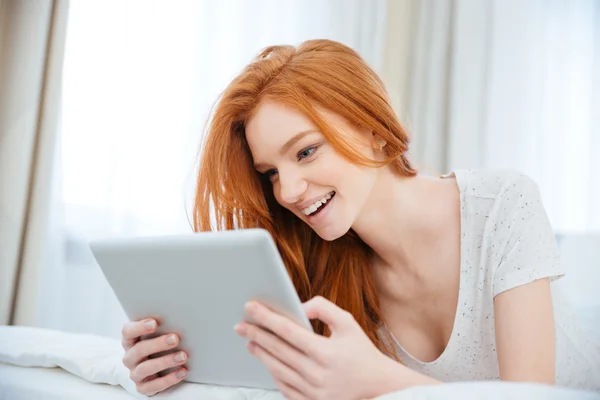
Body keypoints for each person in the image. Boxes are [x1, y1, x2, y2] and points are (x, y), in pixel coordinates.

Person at [119, 39, 599, 398]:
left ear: (370, 128)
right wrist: (173, 365)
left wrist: (376, 380)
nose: (287, 191)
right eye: (270, 174)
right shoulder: (320, 269)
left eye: (306, 151)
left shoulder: (501, 204)